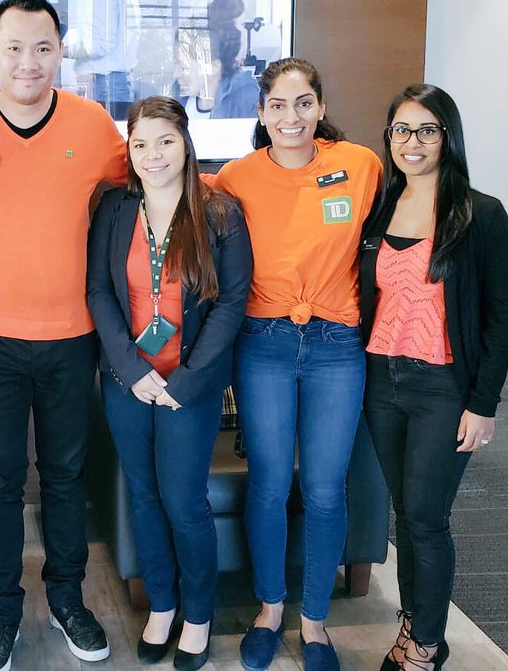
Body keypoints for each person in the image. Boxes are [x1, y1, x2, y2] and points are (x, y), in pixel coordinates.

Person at [0, 0, 127, 671]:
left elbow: (146, 192)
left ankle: (67, 598)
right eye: (14, 47)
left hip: (72, 335)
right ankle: (0, 611)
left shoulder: (94, 124)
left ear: (61, 51)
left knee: (65, 476)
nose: (28, 62)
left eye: (42, 47)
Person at [212, 58, 382, 671]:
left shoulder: (359, 165)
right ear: (261, 112)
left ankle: (315, 623)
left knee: (325, 488)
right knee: (268, 482)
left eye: (303, 102)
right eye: (278, 106)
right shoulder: (234, 178)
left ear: (320, 106)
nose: (292, 117)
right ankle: (269, 609)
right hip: (264, 344)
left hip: (338, 345)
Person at [87, 96, 252, 671]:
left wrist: (186, 379)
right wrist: (133, 372)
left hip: (190, 385)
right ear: (128, 151)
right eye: (140, 144)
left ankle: (199, 614)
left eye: (165, 141)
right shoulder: (113, 210)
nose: (153, 155)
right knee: (143, 493)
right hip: (127, 382)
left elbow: (233, 302)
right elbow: (99, 294)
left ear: (185, 143)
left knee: (184, 501)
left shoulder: (220, 213)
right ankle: (162, 604)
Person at [360, 85, 508, 671]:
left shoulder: (481, 214)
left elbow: (500, 315)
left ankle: (423, 645)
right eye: (401, 130)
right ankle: (416, 625)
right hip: (382, 380)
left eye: (426, 130)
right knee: (406, 512)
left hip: (443, 388)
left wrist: (484, 404)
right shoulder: (381, 207)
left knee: (427, 518)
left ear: (447, 136)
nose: (412, 142)